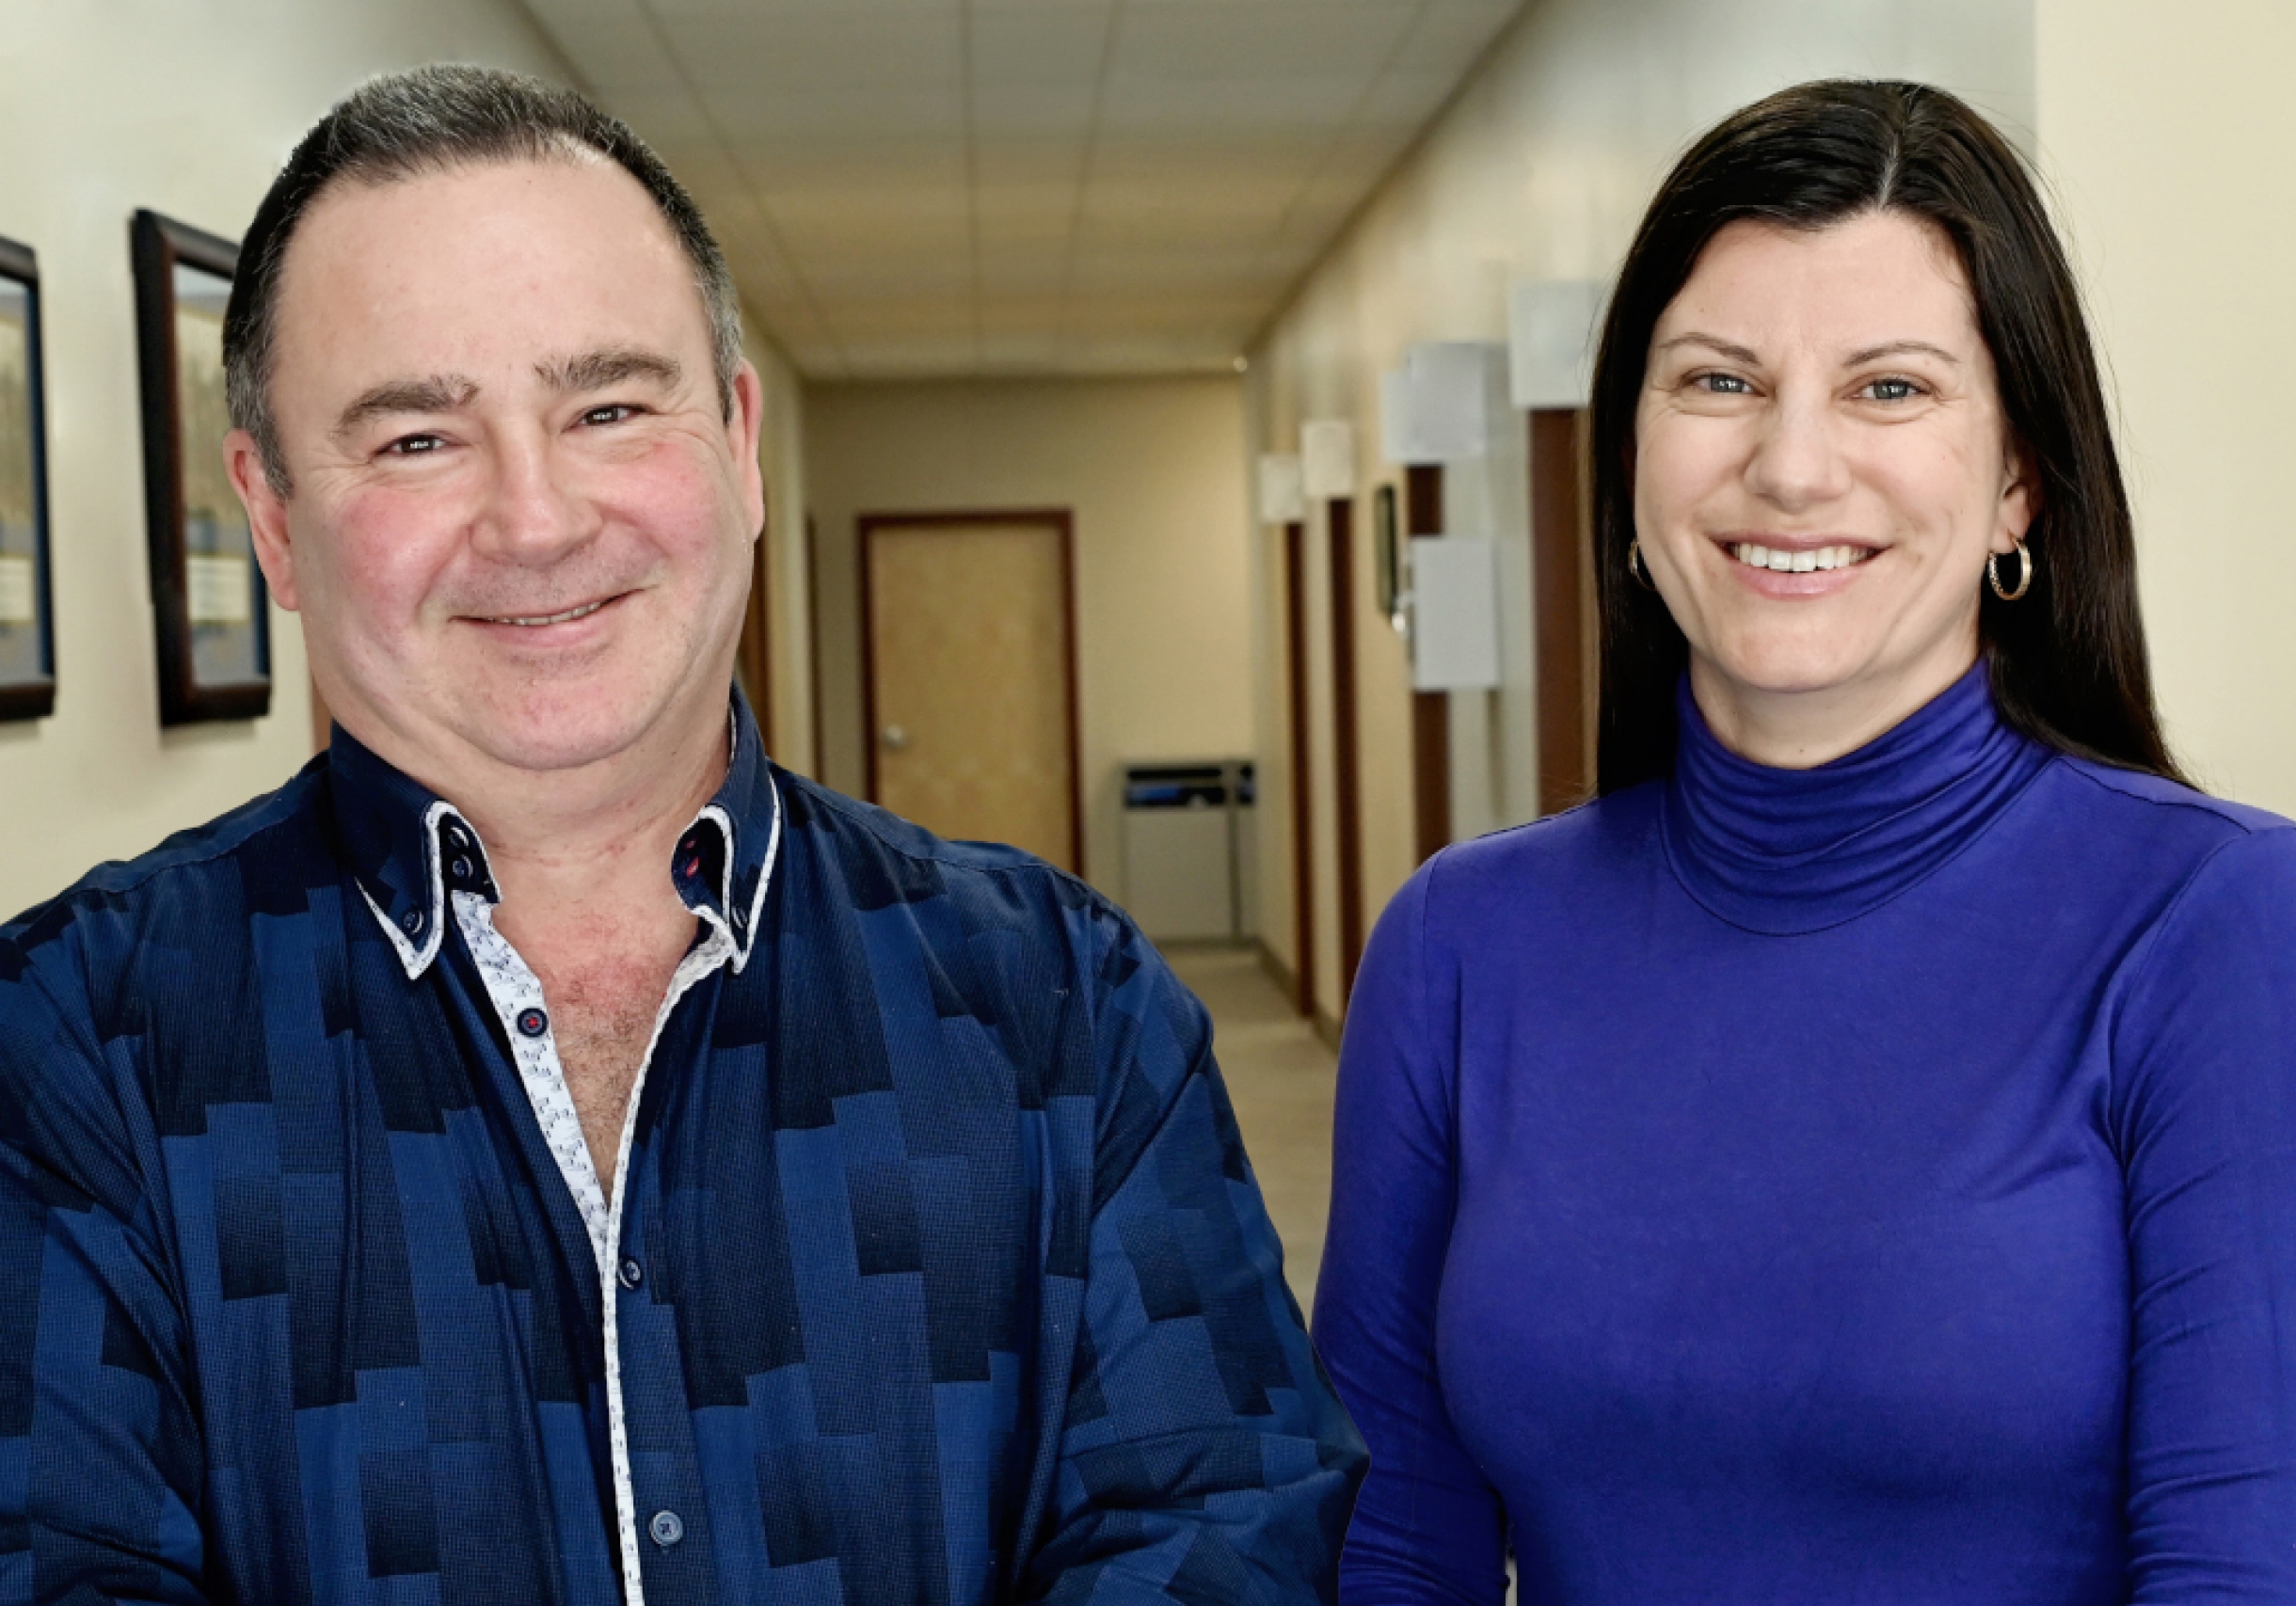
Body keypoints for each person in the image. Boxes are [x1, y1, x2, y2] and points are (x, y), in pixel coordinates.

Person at [0, 65, 1361, 1606]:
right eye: (416, 442)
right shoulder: (67, 1054)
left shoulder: (1069, 1009)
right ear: (269, 519)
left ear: (740, 441)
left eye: (609, 407)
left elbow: (1219, 1536)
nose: (537, 520)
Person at [1316, 78, 2296, 1603]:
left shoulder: (2229, 932)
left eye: (1889, 389)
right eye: (1718, 382)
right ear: (1628, 454)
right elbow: (1390, 1552)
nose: (1794, 467)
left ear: (2019, 477)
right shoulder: (1457, 948)